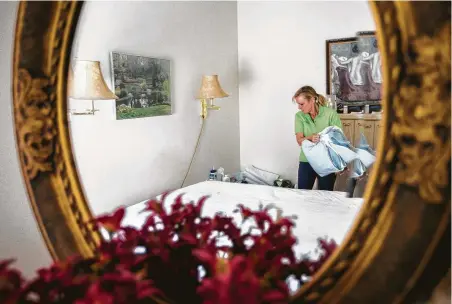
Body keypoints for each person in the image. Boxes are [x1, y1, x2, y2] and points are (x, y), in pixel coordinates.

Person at [293, 85, 343, 191]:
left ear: (312, 100)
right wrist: (310, 137)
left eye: (302, 104)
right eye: (298, 104)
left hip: (326, 161)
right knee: (302, 195)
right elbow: (299, 141)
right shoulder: (299, 116)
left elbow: (338, 140)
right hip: (306, 161)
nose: (299, 107)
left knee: (325, 197)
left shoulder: (330, 114)